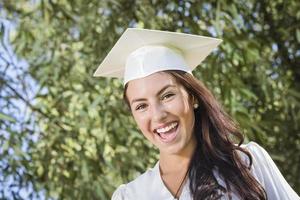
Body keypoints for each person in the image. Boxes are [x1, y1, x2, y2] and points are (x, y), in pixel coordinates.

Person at [94, 28, 300, 200]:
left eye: (167, 96)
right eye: (141, 106)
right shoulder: (130, 196)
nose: (157, 116)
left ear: (193, 97)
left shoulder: (247, 163)